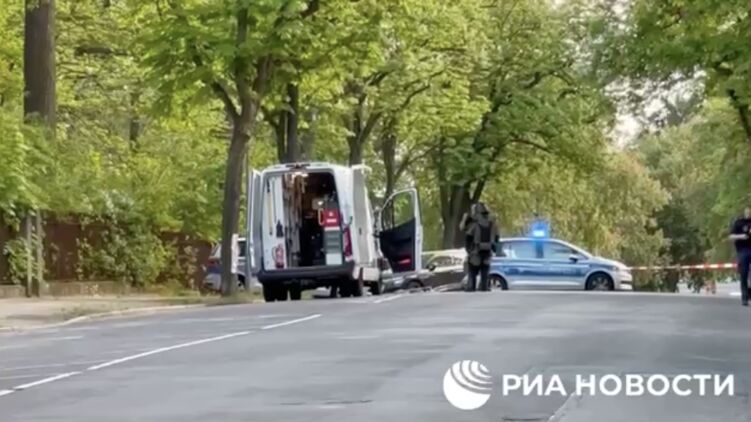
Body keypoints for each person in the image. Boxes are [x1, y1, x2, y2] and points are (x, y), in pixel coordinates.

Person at [460, 202, 498, 292]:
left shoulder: (474, 225)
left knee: (472, 272)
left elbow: (468, 237)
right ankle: (484, 287)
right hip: (488, 251)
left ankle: (471, 287)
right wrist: (493, 248)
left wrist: (469, 251)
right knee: (485, 272)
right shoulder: (492, 225)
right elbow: (496, 238)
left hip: (475, 253)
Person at [729, 207, 751, 306]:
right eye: (747, 212)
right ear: (744, 213)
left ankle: (749, 292)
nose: (748, 213)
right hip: (743, 250)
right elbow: (731, 236)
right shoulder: (739, 223)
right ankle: (745, 297)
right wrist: (741, 236)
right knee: (744, 273)